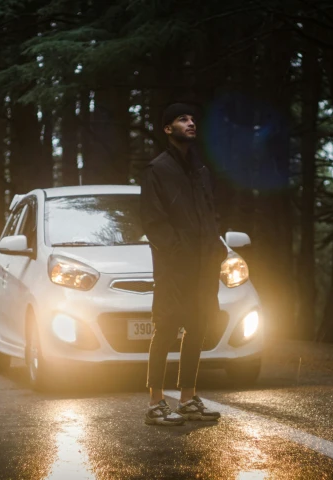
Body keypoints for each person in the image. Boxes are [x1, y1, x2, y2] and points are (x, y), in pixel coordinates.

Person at [140, 103, 227, 426]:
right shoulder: (156, 170)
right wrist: (177, 251)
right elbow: (152, 220)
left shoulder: (200, 171)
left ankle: (189, 399)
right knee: (165, 329)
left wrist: (216, 249)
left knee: (198, 327)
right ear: (167, 128)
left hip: (203, 266)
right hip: (174, 267)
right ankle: (155, 403)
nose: (191, 123)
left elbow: (209, 215)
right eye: (182, 119)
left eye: (193, 118)